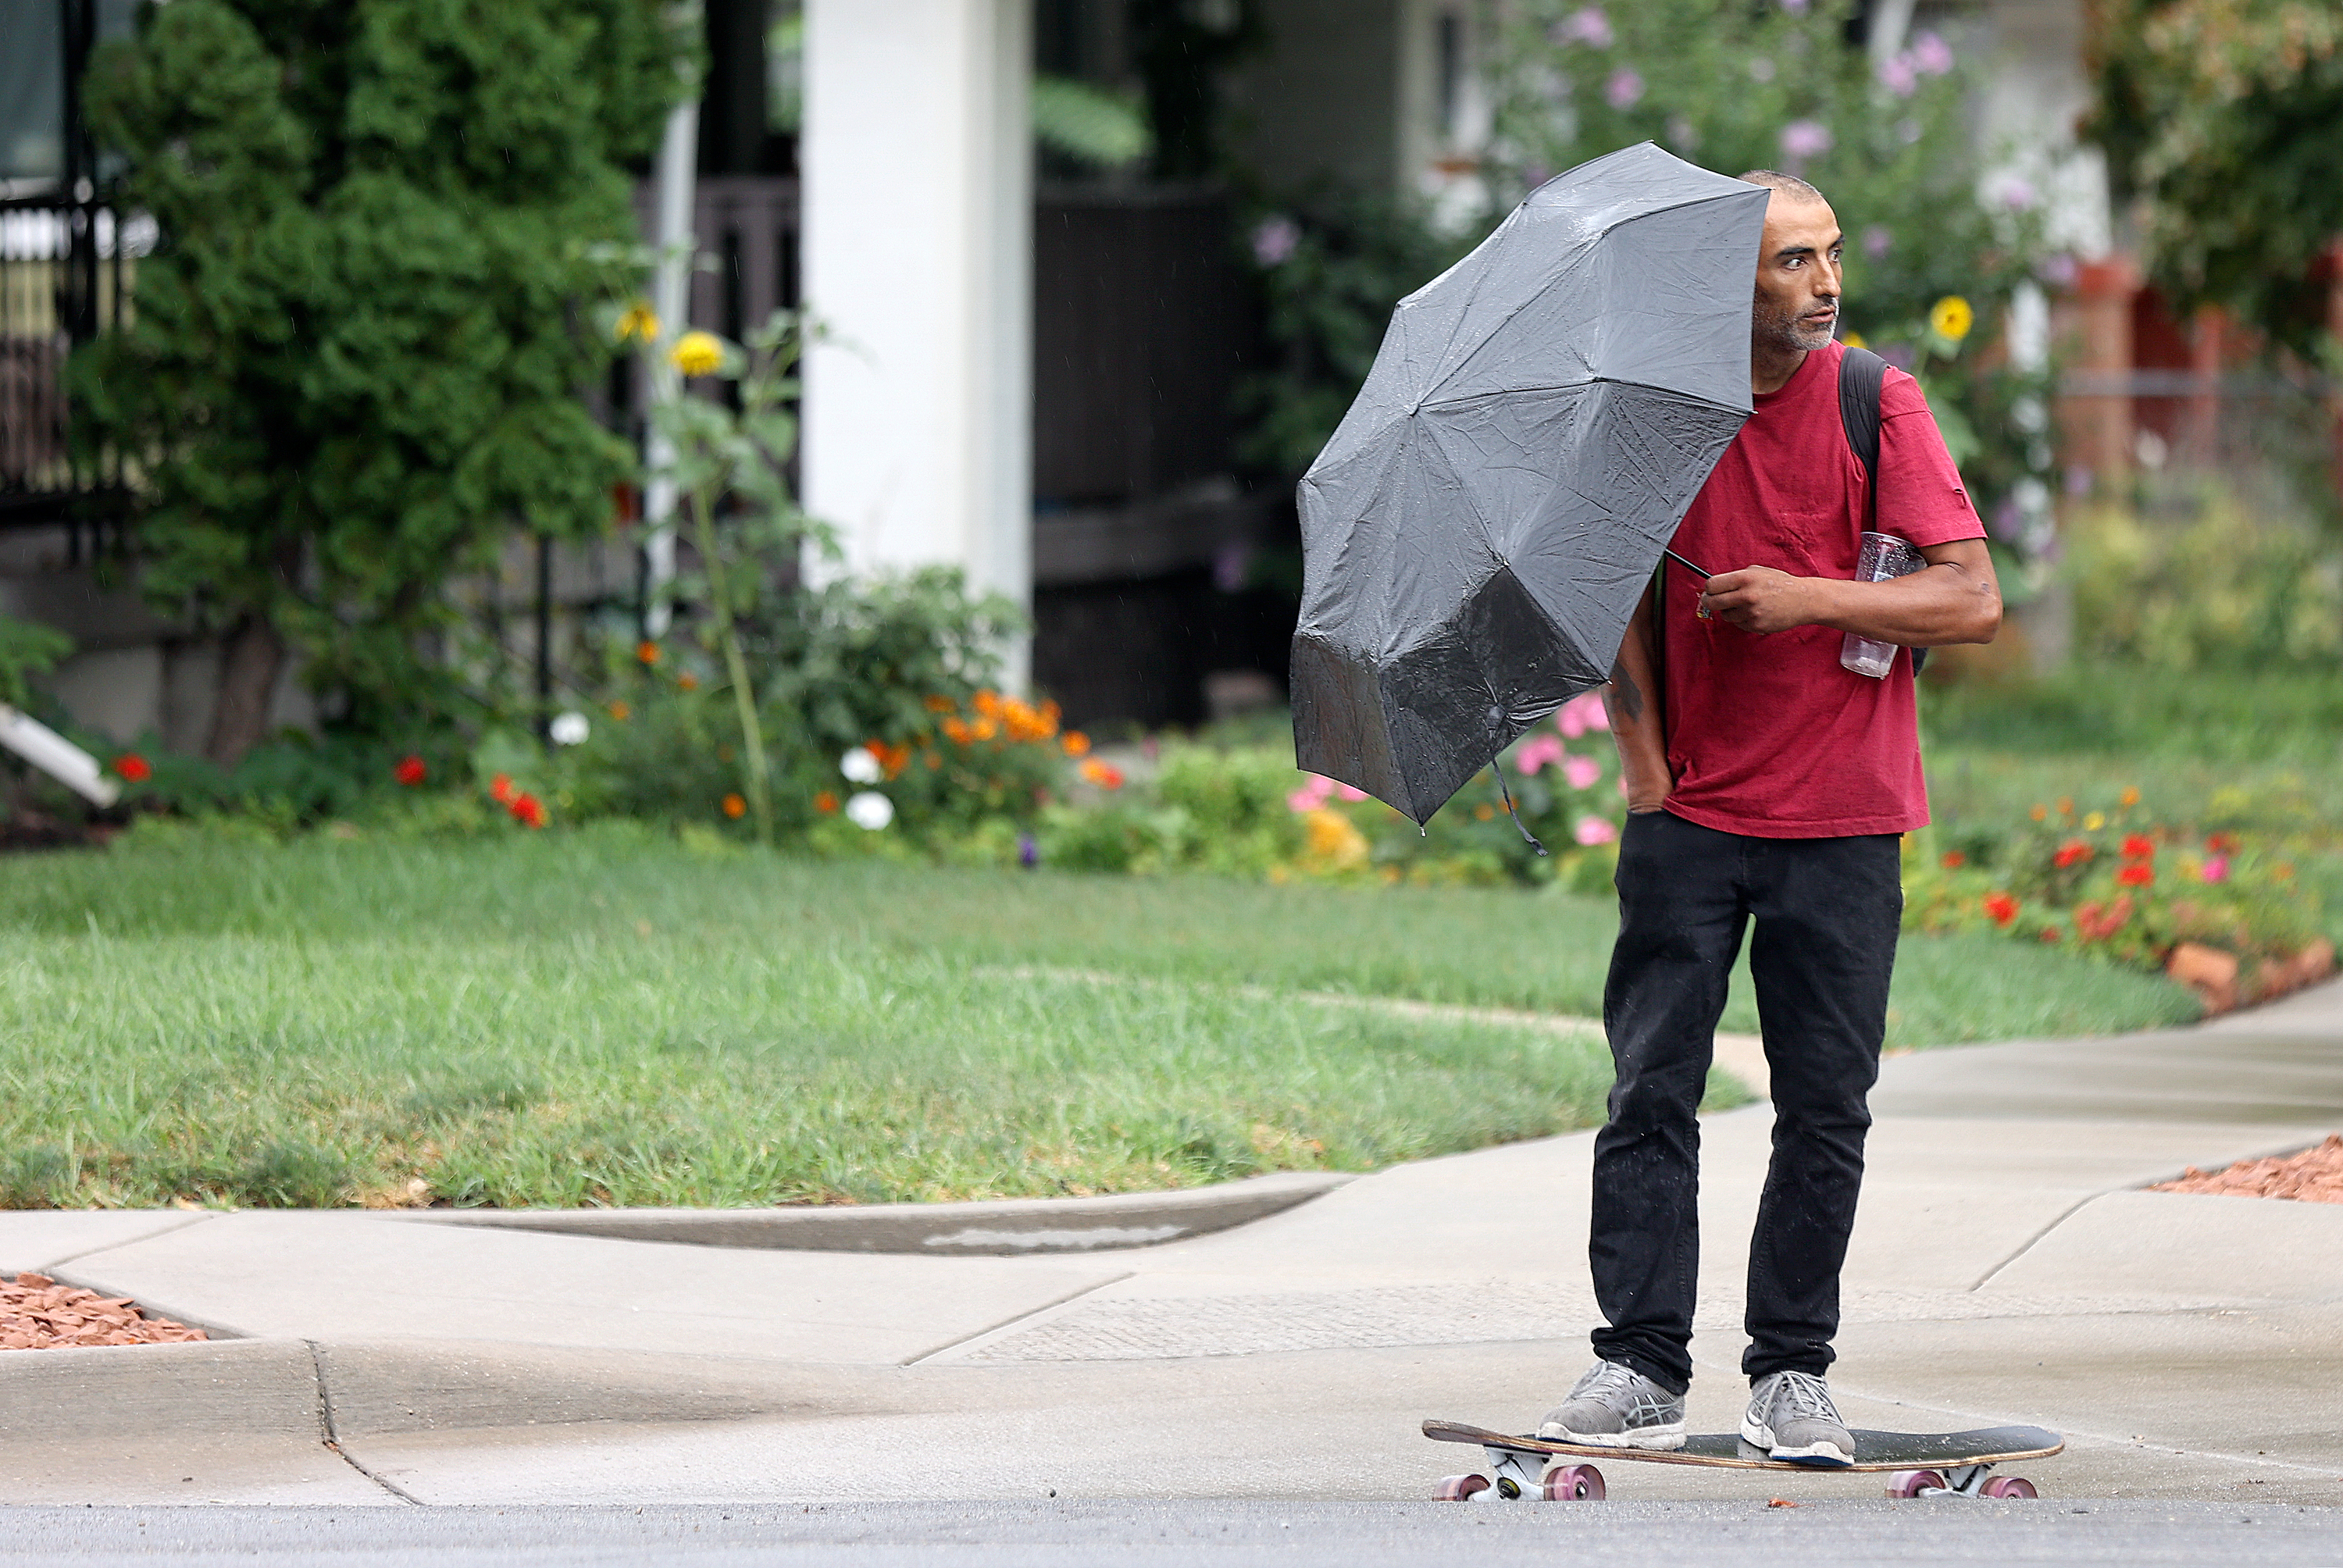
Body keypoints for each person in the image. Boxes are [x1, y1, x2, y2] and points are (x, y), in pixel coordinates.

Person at [1539, 171, 2002, 1466]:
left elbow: (1970, 599)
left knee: (1825, 1106)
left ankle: (1791, 1373)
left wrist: (1810, 600)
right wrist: (1644, 768)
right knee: (1652, 1091)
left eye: (1830, 255)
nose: (1825, 282)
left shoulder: (1874, 398)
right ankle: (1636, 1363)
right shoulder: (1651, 425)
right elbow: (1609, 598)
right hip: (1692, 819)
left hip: (1846, 817)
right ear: (1718, 284)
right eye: (1792, 261)